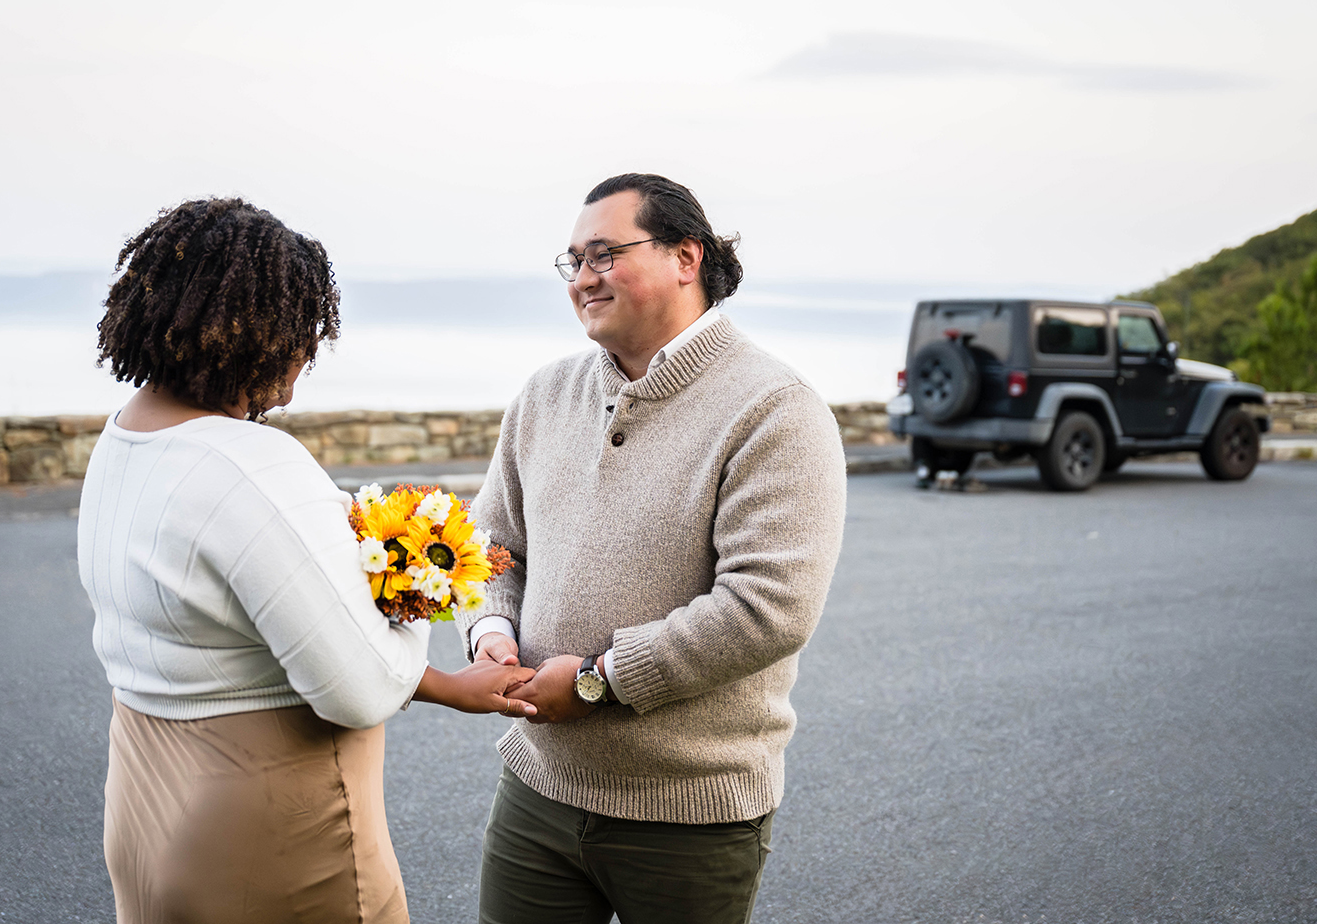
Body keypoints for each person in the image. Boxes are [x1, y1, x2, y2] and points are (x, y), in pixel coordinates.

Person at [78, 197, 536, 924]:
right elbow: (355, 687)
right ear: (254, 329)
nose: (307, 354)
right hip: (263, 824)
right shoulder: (252, 465)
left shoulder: (124, 440)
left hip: (146, 802)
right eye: (304, 331)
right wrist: (409, 589)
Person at [459, 173, 849, 924]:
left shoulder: (775, 409)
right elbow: (491, 543)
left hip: (688, 813)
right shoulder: (545, 394)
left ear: (686, 256)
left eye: (603, 254)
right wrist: (490, 634)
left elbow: (769, 608)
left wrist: (598, 682)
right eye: (571, 261)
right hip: (536, 790)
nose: (581, 279)